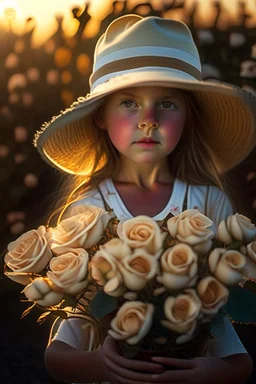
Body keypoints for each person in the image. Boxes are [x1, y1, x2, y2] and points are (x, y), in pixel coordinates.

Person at [33, 14, 256, 384]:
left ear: (189, 117)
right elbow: (60, 352)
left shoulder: (209, 205)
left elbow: (228, 342)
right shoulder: (88, 212)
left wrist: (213, 372)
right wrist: (103, 366)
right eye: (128, 103)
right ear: (100, 116)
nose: (148, 120)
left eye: (168, 103)